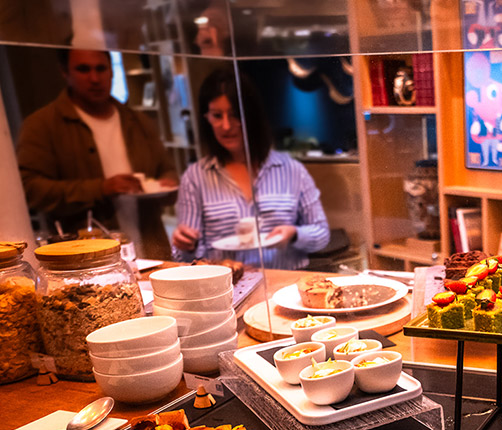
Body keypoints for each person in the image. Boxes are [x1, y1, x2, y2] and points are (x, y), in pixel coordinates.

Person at [16, 48, 178, 254]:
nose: (95, 78)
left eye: (101, 69)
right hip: (84, 257)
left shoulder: (138, 121)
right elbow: (30, 189)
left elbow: (167, 170)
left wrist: (164, 184)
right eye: (83, 69)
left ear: (112, 71)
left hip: (150, 247)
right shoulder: (42, 125)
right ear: (65, 72)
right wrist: (101, 188)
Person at [171, 68, 329, 269]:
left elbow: (322, 234)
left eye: (235, 115)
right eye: (217, 116)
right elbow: (185, 260)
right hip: (228, 289)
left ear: (252, 116)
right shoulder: (195, 177)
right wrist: (184, 245)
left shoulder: (291, 169)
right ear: (206, 119)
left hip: (284, 284)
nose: (226, 126)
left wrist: (294, 234)